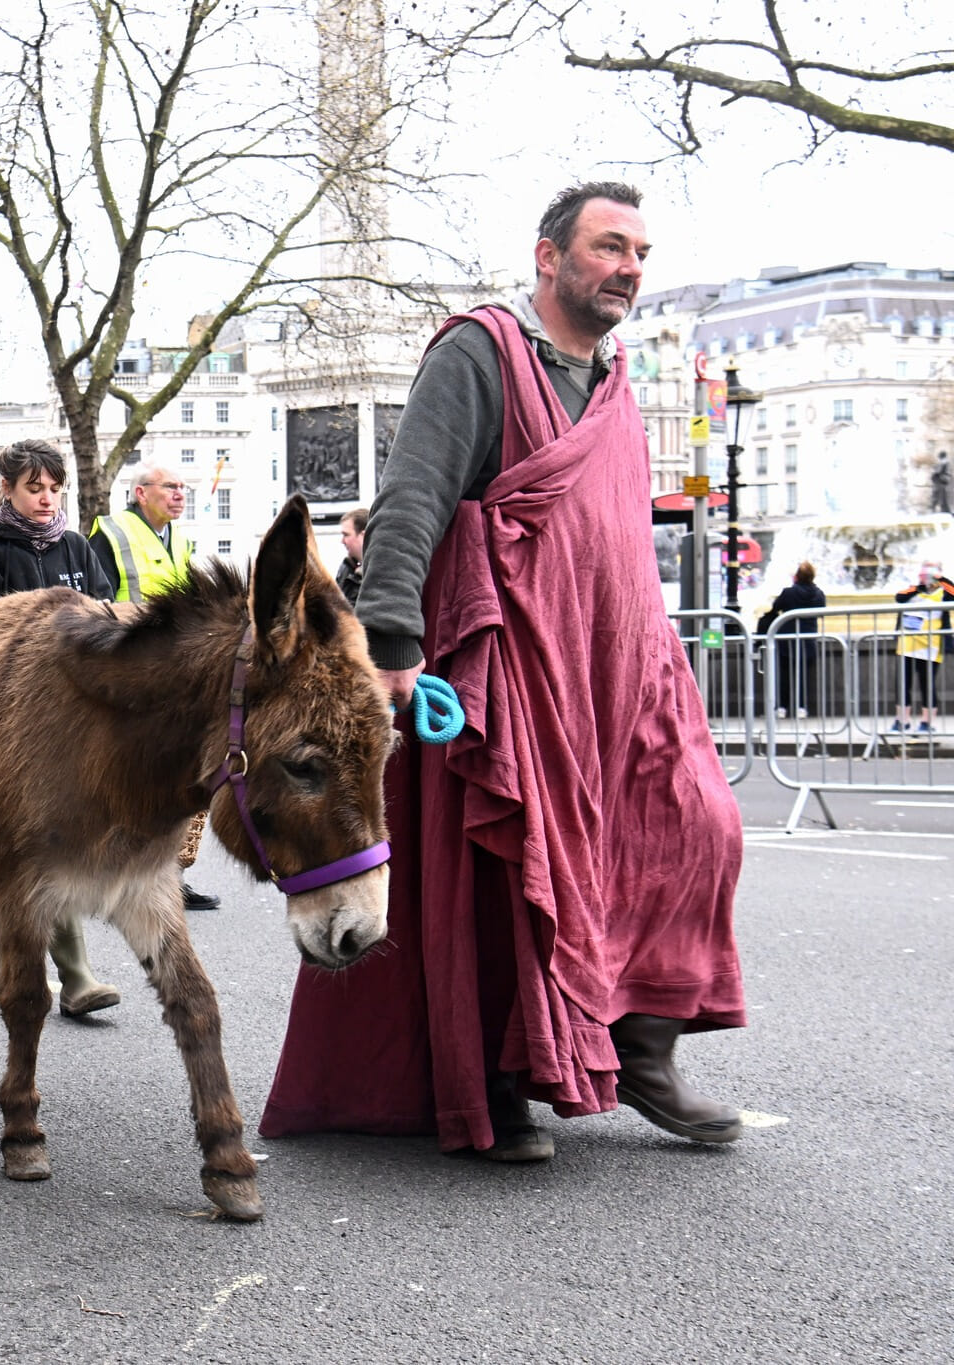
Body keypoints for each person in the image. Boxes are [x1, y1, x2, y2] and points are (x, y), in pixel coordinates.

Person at [263, 181, 747, 1161]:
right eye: (608, 247)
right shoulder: (477, 352)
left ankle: (638, 1048)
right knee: (507, 863)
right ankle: (495, 1076)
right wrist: (392, 644)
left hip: (619, 665)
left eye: (640, 255)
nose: (627, 269)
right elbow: (412, 496)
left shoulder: (612, 382)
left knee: (700, 827)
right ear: (547, 256)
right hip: (512, 656)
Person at [0, 439, 122, 1016]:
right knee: (47, 838)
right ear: (8, 489)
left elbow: (107, 618)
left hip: (73, 713)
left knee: (16, 839)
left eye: (54, 489)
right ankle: (76, 977)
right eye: (34, 489)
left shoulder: (77, 545)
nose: (47, 500)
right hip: (9, 717)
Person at [87, 466, 221, 914]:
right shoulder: (112, 531)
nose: (180, 494)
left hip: (170, 671)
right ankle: (122, 876)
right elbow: (94, 598)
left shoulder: (178, 539)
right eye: (171, 487)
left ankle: (169, 878)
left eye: (184, 487)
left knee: (175, 778)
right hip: (129, 668)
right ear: (141, 493)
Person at [755, 561, 826, 719]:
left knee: (785, 675)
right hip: (808, 640)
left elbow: (775, 608)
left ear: (796, 577)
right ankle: (801, 707)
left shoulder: (788, 593)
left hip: (787, 639)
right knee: (803, 675)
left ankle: (782, 707)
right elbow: (821, 612)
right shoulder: (819, 593)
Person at [892, 560, 952, 734]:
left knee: (927, 685)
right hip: (907, 645)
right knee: (903, 684)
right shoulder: (912, 591)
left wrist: (941, 580)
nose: (927, 578)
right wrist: (918, 586)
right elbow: (899, 597)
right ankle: (902, 721)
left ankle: (927, 722)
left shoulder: (943, 593)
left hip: (931, 647)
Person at [335, 506, 368, 603]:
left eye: (346, 535)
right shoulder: (347, 570)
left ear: (364, 536)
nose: (342, 541)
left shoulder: (380, 573)